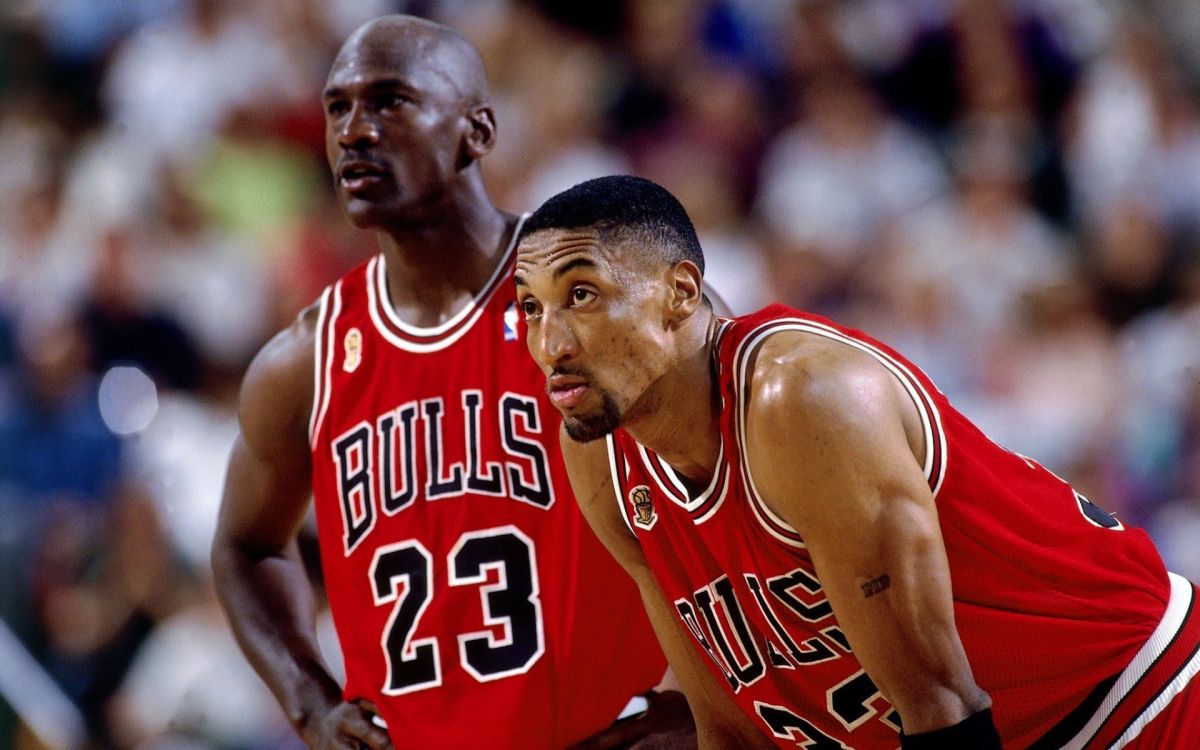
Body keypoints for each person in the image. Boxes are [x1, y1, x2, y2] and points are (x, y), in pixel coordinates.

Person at [513, 174, 1200, 750]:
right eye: (529, 307)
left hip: (1138, 701)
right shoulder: (601, 456)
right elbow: (729, 728)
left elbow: (943, 712)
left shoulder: (803, 400)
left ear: (681, 294)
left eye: (582, 296)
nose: (551, 342)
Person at [211, 19, 687, 749]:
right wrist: (308, 701)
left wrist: (703, 696)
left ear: (478, 131)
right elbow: (245, 546)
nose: (355, 131)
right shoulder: (305, 360)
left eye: (391, 102)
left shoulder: (596, 295)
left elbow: (740, 477)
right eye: (338, 108)